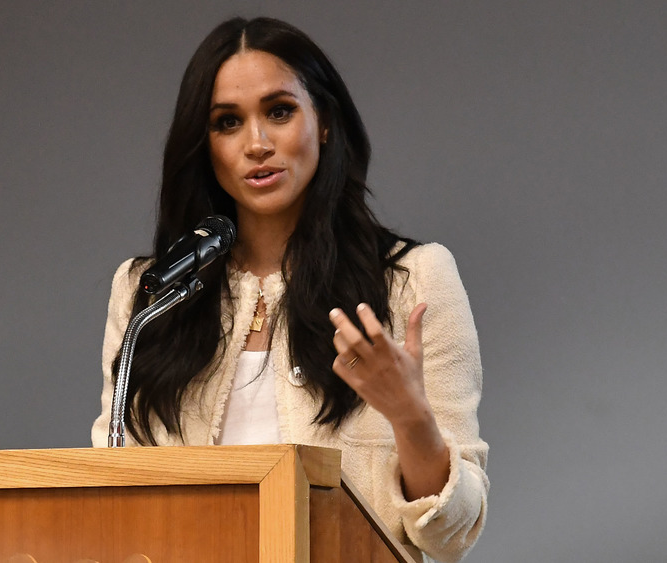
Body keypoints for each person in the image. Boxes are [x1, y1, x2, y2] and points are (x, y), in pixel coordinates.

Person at [91, 16, 488, 563]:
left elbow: (451, 534)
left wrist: (410, 416)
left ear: (323, 121)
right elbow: (111, 494)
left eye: (279, 112)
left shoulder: (412, 281)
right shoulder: (150, 293)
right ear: (203, 145)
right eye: (227, 123)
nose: (256, 144)